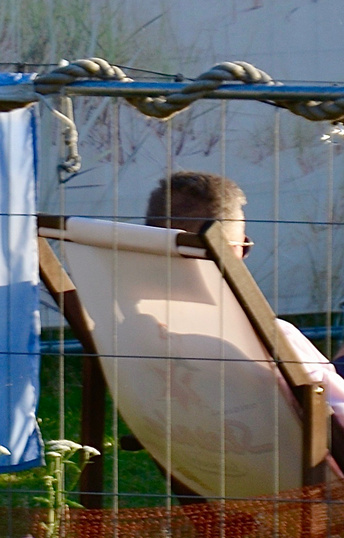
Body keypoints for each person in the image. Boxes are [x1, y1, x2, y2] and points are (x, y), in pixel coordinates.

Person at [145, 171, 344, 425]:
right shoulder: (266, 338)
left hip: (199, 450)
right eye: (244, 247)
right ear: (228, 251)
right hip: (297, 457)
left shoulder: (124, 325)